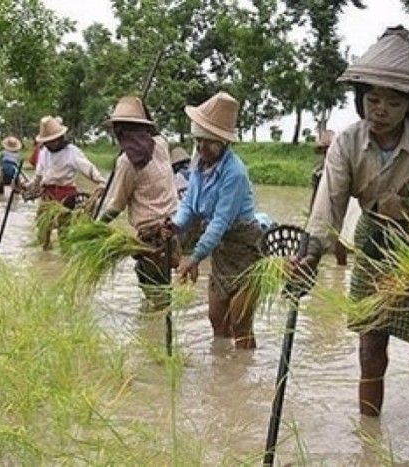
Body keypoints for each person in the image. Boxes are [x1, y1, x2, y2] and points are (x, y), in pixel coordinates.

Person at [294, 26, 409, 425]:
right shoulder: (347, 142)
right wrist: (309, 254)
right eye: (372, 99)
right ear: (360, 99)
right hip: (371, 243)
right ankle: (366, 442)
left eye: (393, 102)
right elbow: (328, 204)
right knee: (370, 352)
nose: (380, 109)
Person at [167, 91, 263, 350]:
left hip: (244, 246)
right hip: (220, 248)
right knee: (216, 318)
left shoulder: (235, 173)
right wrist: (175, 225)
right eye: (198, 141)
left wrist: (194, 258)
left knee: (241, 321)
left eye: (209, 143)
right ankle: (222, 375)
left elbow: (220, 222)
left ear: (224, 142)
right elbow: (190, 204)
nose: (201, 148)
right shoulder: (198, 162)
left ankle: (242, 372)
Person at [99, 96, 180, 311]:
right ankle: (159, 331)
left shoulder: (126, 162)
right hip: (174, 229)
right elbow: (155, 133)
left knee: (156, 293)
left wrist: (96, 225)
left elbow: (116, 205)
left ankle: (156, 334)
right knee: (162, 287)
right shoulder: (162, 144)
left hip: (153, 235)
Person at [28, 115, 105, 248]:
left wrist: (101, 183)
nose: (48, 144)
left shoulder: (72, 152)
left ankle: (65, 257)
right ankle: (46, 259)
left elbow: (89, 169)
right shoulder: (44, 152)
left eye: (51, 141)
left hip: (66, 196)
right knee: (43, 230)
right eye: (46, 141)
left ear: (59, 138)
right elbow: (38, 176)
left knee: (64, 231)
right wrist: (29, 187)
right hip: (47, 195)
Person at [310, 129, 350, 266]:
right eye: (325, 150)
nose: (327, 152)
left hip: (342, 210)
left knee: (341, 242)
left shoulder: (345, 166)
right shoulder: (318, 171)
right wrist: (312, 215)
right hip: (323, 208)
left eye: (329, 149)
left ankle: (341, 266)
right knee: (318, 241)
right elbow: (316, 196)